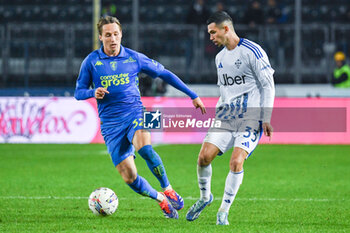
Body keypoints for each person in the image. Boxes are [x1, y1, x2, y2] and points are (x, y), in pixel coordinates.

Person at [74, 16, 206, 219]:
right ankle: (161, 198)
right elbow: (78, 92)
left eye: (116, 34)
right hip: (110, 125)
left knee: (144, 147)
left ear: (121, 34)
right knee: (129, 177)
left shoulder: (134, 58)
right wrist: (93, 93)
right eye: (108, 35)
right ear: (101, 37)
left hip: (136, 112)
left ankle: (168, 188)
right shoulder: (92, 61)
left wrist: (193, 95)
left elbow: (165, 73)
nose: (113, 38)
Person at [186, 11, 275, 225]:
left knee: (236, 162)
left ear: (226, 28)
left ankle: (223, 211)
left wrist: (266, 116)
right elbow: (226, 90)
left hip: (251, 117)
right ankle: (205, 197)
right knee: (203, 158)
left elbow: (267, 85)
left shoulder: (252, 51)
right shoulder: (219, 58)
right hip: (226, 116)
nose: (211, 37)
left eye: (213, 32)